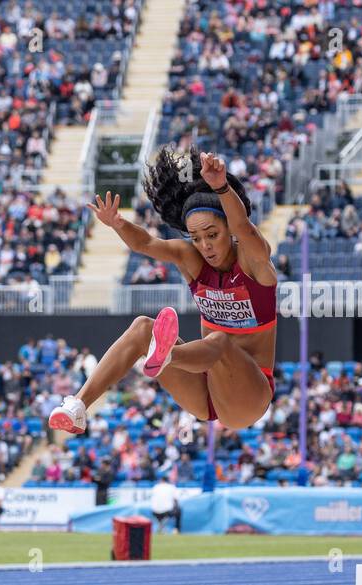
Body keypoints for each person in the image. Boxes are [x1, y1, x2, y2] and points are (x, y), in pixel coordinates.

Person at [49, 147, 277, 435]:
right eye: (195, 238)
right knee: (143, 327)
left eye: (212, 235)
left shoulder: (254, 261)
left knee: (220, 340)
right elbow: (145, 244)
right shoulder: (192, 259)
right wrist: (119, 224)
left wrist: (221, 187)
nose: (204, 245)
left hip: (249, 396)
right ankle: (78, 406)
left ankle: (166, 355)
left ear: (228, 230)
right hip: (204, 390)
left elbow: (244, 227)